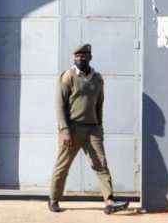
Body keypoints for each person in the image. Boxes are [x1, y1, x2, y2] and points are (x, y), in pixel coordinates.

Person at [47, 43, 129, 215]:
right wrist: (64, 130)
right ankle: (53, 199)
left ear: (90, 58)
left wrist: (100, 129)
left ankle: (109, 202)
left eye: (83, 57)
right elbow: (59, 106)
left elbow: (99, 106)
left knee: (101, 165)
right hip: (72, 129)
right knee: (63, 165)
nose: (80, 59)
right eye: (77, 57)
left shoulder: (98, 79)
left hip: (92, 130)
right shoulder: (67, 76)